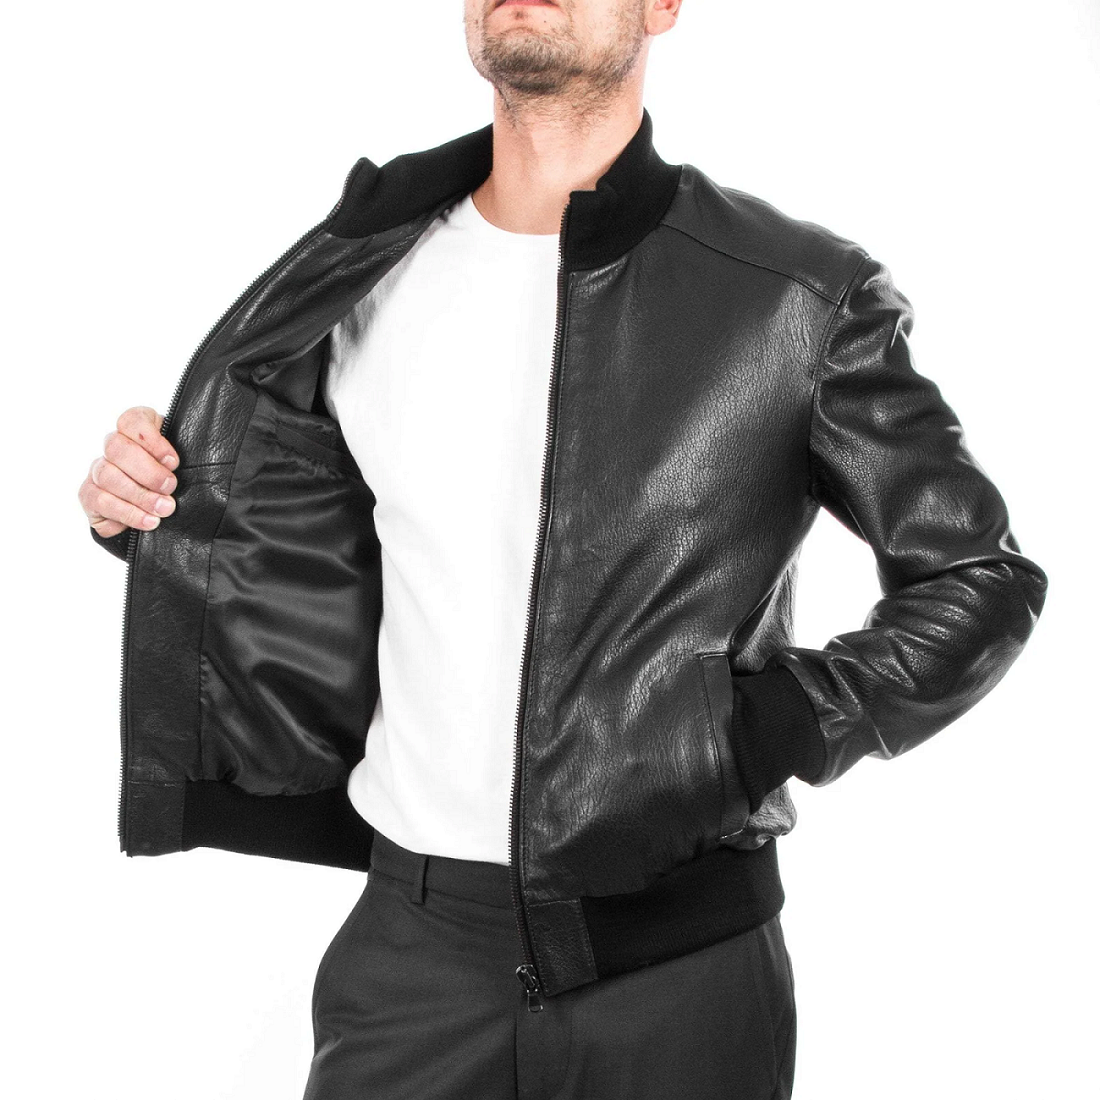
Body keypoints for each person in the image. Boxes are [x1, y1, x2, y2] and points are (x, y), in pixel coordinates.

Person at [76, 1, 1049, 1097]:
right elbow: (309, 537)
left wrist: (764, 729)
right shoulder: (360, 269)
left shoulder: (796, 297)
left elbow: (979, 576)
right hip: (411, 955)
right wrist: (153, 511)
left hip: (679, 971)